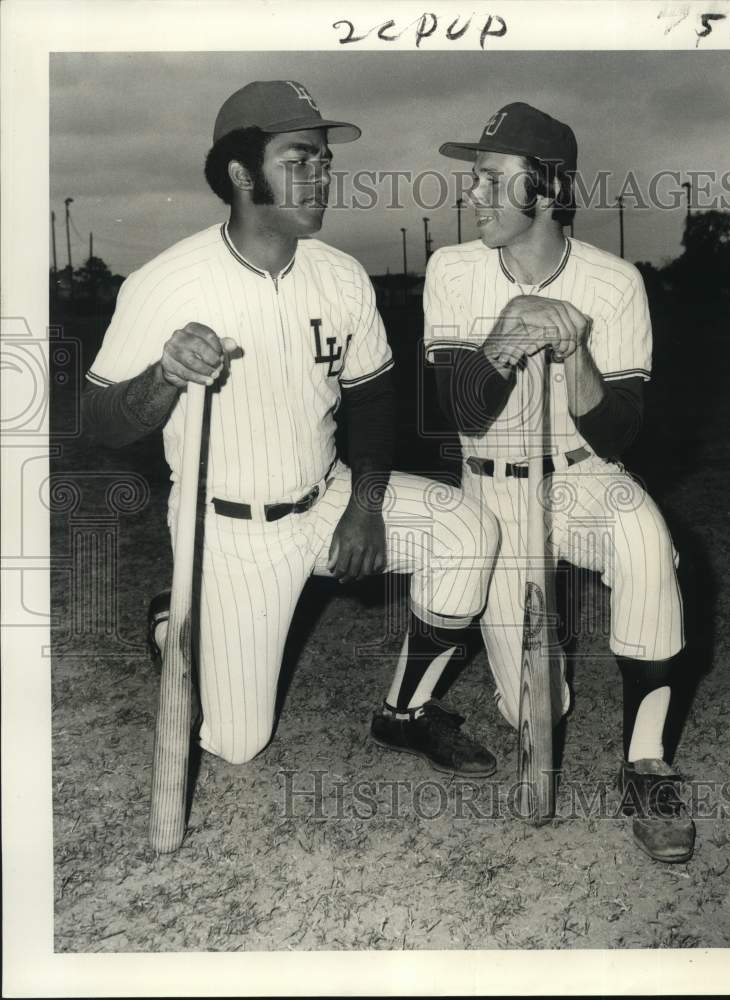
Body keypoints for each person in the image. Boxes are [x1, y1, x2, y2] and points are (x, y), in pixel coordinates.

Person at [81, 80, 501, 777]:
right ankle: (172, 622)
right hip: (231, 529)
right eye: (298, 159)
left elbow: (372, 399)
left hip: (328, 493)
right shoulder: (165, 282)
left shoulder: (340, 276)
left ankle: (407, 711)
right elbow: (101, 425)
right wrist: (165, 375)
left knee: (468, 530)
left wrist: (365, 507)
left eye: (325, 160)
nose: (322, 176)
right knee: (237, 742)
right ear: (243, 174)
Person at [424, 101, 695, 862]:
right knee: (536, 706)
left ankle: (647, 764)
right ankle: (532, 691)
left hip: (582, 476)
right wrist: (507, 335)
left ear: (544, 189)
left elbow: (618, 432)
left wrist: (576, 355)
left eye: (489, 180)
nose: (471, 195)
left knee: (645, 539)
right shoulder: (452, 271)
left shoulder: (614, 282)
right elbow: (461, 415)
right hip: (494, 489)